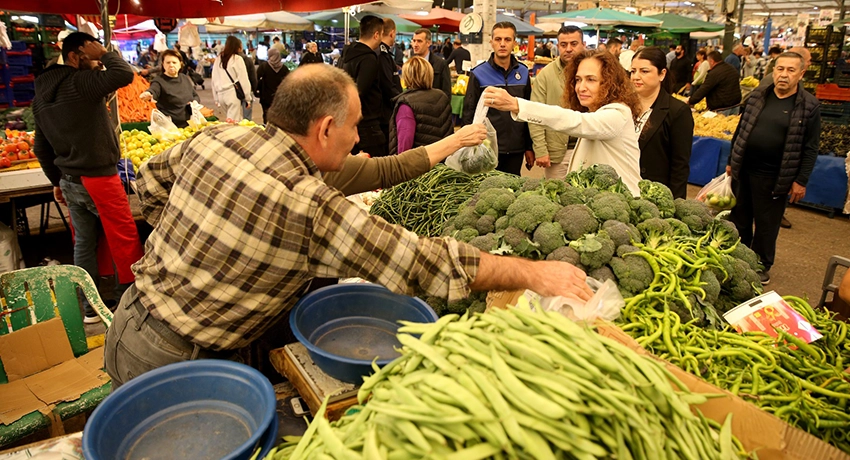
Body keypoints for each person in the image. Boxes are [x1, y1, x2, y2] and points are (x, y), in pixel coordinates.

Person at [103, 64, 592, 387]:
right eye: (355, 126)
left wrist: (203, 244)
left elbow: (146, 189)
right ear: (324, 129)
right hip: (177, 361)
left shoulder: (215, 140)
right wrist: (534, 273)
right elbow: (424, 262)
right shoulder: (309, 205)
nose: (360, 139)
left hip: (128, 322)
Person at [32, 32, 144, 323]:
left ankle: (89, 308)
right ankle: (127, 306)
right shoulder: (79, 83)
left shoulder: (41, 96)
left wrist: (56, 181)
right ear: (73, 56)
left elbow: (41, 147)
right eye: (89, 54)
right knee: (123, 238)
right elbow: (123, 73)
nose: (95, 60)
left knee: (84, 242)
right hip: (99, 178)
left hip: (70, 179)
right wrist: (104, 52)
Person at [484, 50, 642, 195]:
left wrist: (517, 105)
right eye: (578, 80)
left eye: (591, 80)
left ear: (609, 83)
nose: (581, 87)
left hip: (626, 207)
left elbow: (575, 121)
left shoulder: (618, 113)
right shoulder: (594, 112)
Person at [727, 52, 821, 285]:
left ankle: (761, 264)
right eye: (780, 69)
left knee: (767, 224)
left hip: (774, 176)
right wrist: (731, 160)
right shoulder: (758, 95)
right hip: (745, 170)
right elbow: (741, 131)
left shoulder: (809, 105)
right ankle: (740, 257)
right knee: (740, 217)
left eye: (790, 70)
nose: (783, 75)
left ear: (801, 74)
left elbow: (810, 148)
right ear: (773, 71)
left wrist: (801, 180)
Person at [462, 22, 533, 176]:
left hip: (516, 148)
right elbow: (469, 113)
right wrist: (468, 145)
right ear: (491, 42)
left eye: (507, 40)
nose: (502, 44)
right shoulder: (479, 74)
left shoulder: (524, 72)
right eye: (498, 39)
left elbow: (528, 112)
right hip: (487, 147)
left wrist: (529, 147)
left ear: (515, 43)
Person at [630, 47, 693, 199]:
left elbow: (680, 165)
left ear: (662, 74)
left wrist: (675, 203)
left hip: (655, 195)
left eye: (644, 71)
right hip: (625, 189)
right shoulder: (624, 106)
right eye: (633, 71)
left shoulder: (677, 111)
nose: (636, 77)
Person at [529, 25, 585, 179]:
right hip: (559, 151)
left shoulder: (597, 71)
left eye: (574, 44)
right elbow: (535, 114)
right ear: (557, 46)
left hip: (589, 147)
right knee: (557, 197)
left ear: (583, 45)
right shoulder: (546, 75)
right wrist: (540, 150)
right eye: (563, 45)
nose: (568, 49)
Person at [341, 15, 387, 157]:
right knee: (376, 169)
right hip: (367, 126)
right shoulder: (369, 58)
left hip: (349, 122)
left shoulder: (346, 56)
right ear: (376, 34)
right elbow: (360, 91)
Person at [389, 56, 453, 155]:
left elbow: (404, 147)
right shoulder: (441, 96)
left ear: (407, 76)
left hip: (421, 164)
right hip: (443, 161)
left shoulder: (406, 104)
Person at [140, 50, 200, 128]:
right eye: (168, 62)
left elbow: (195, 95)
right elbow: (154, 90)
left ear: (180, 64)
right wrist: (148, 94)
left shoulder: (184, 78)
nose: (171, 65)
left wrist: (194, 103)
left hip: (190, 124)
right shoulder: (159, 81)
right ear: (163, 65)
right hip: (170, 127)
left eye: (174, 62)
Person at [212, 36, 253, 122]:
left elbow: (214, 79)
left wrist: (216, 98)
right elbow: (243, 79)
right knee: (234, 122)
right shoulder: (237, 59)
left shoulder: (219, 58)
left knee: (231, 119)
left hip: (220, 95)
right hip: (232, 94)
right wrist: (247, 98)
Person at [379, 19, 403, 147]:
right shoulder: (382, 54)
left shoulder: (381, 52)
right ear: (392, 33)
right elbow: (387, 85)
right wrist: (402, 99)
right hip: (385, 112)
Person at [411, 28, 451, 98]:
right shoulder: (411, 64)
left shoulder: (441, 64)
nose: (415, 44)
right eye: (414, 41)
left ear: (428, 43)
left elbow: (446, 93)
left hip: (434, 106)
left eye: (419, 41)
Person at [255, 48, 290, 124]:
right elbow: (288, 82)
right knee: (279, 115)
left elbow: (256, 79)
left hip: (265, 96)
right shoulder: (284, 68)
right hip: (280, 97)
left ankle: (267, 128)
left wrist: (256, 91)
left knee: (266, 114)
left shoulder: (263, 66)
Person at [240, 46, 258, 121]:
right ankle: (246, 128)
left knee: (234, 115)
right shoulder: (248, 60)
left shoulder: (229, 60)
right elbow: (253, 76)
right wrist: (255, 89)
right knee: (247, 115)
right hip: (247, 89)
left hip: (233, 90)